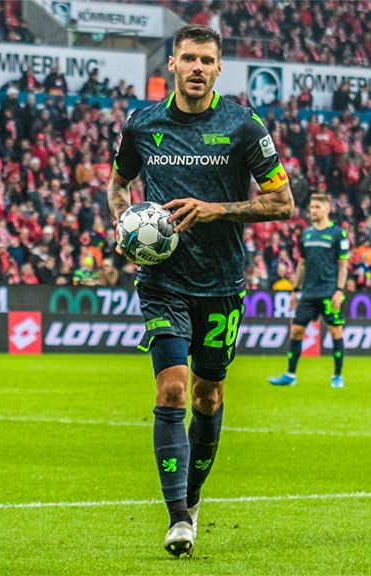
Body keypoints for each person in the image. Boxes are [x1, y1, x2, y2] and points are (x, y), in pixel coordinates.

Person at [107, 24, 293, 558]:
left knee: (209, 395)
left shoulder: (242, 126)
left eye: (206, 60)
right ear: (171, 64)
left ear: (218, 69)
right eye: (187, 58)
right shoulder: (142, 124)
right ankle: (177, 517)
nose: (196, 68)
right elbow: (117, 183)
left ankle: (191, 497)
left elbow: (283, 203)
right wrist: (124, 224)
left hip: (222, 284)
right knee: (171, 389)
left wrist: (217, 209)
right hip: (163, 281)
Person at [268, 193, 349, 388]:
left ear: (327, 209)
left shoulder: (338, 234)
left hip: (329, 292)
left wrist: (339, 290)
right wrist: (296, 290)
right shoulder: (307, 234)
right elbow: (302, 264)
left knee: (335, 331)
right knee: (296, 331)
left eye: (317, 207)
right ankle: (290, 374)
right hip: (309, 292)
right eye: (311, 207)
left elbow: (343, 265)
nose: (312, 211)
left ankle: (337, 376)